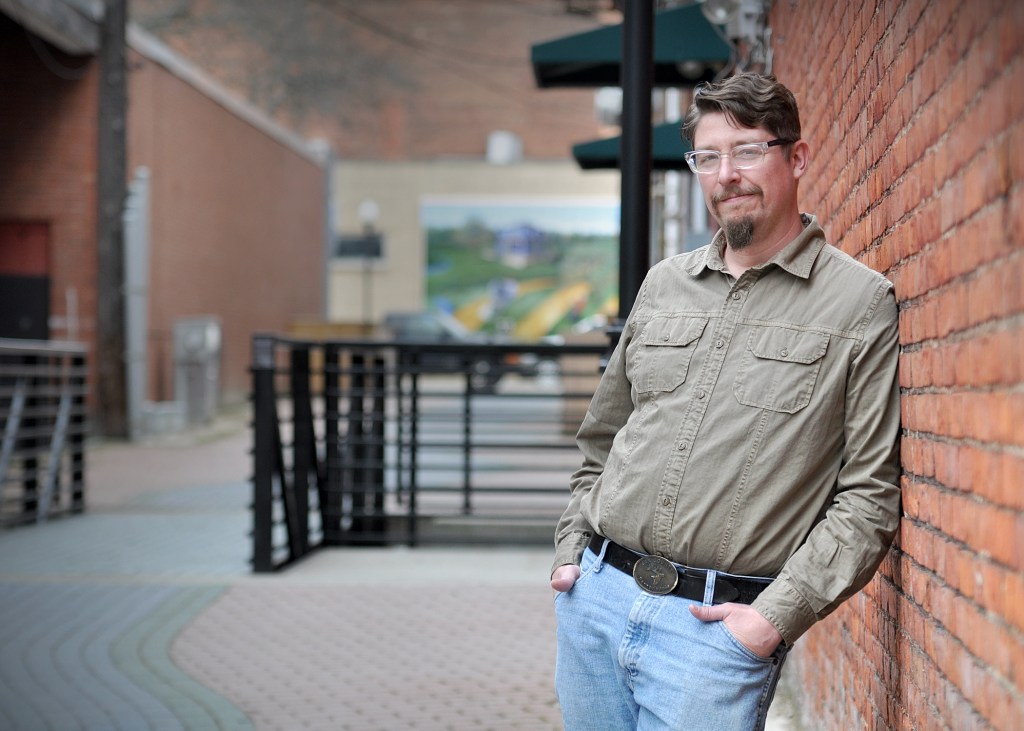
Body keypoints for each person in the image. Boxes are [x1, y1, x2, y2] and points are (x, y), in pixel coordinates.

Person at [550, 72, 901, 731]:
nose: (726, 174)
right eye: (707, 157)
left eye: (747, 151)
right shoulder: (664, 284)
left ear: (796, 158)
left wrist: (772, 619)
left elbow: (868, 497)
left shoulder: (859, 303)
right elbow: (603, 437)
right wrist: (572, 552)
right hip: (594, 605)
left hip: (713, 639)